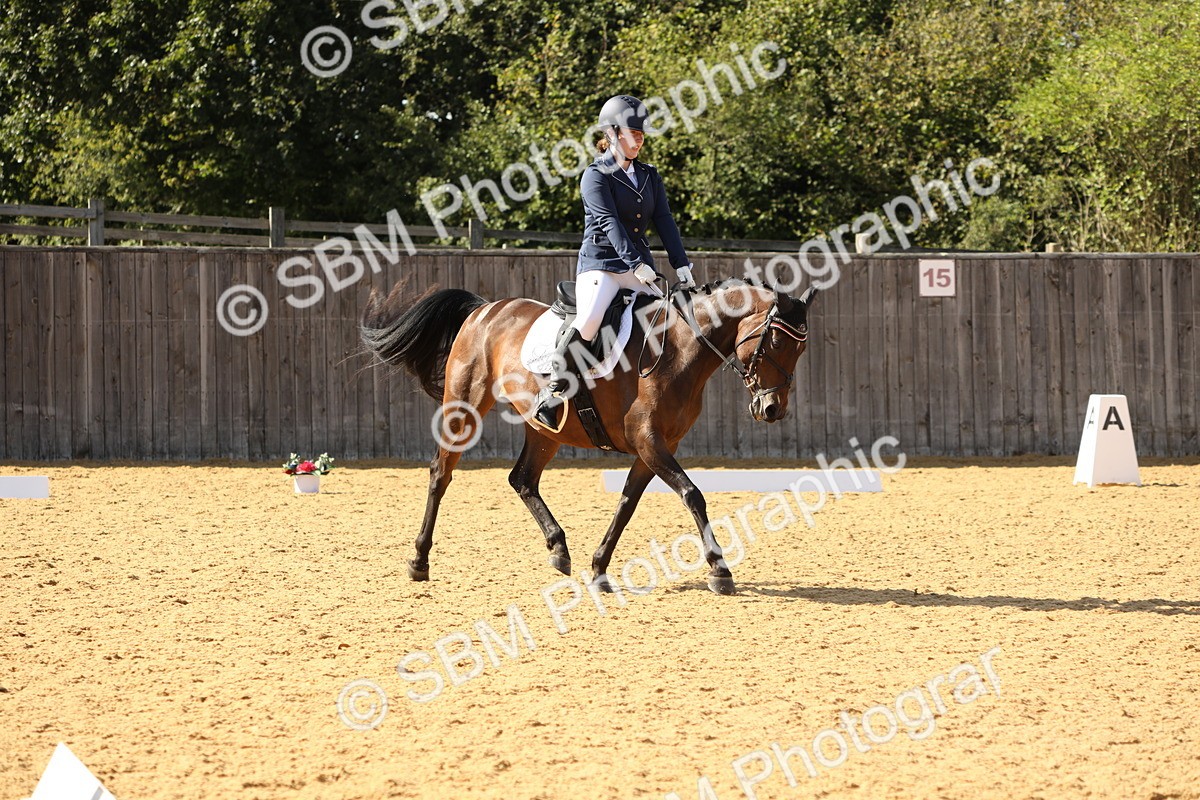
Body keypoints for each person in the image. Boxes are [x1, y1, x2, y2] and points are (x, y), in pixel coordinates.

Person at [533, 94, 697, 429]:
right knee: (591, 319)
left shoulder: (649, 175)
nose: (639, 139)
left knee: (668, 321)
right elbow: (608, 222)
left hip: (640, 267)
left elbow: (664, 220)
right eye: (632, 133)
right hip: (602, 265)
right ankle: (552, 391)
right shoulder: (595, 175)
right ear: (611, 133)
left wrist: (681, 264)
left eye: (641, 134)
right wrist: (635, 263)